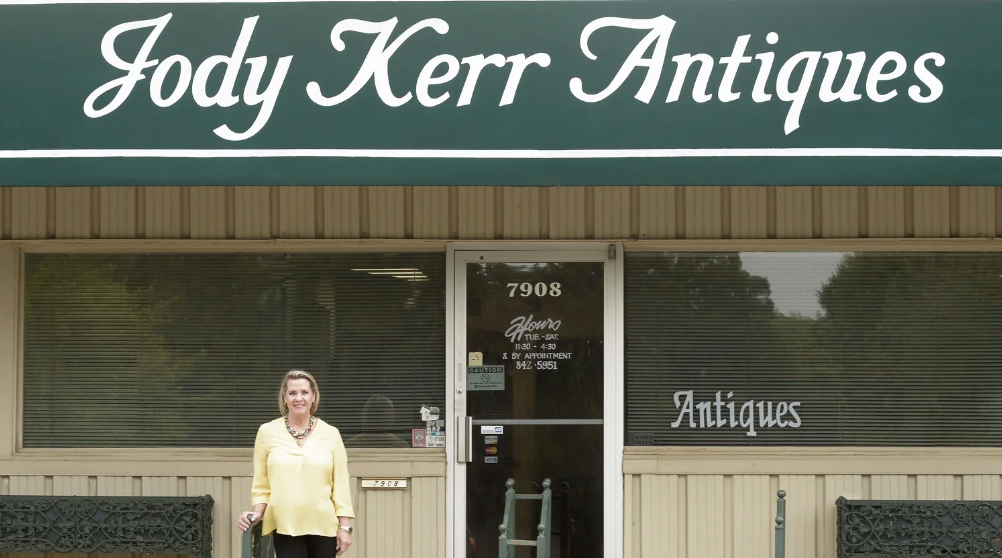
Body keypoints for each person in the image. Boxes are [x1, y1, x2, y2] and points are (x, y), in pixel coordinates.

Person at [237, 369, 355, 558]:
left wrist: (345, 527)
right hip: (285, 524)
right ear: (284, 397)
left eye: (304, 392)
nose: (298, 398)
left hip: (323, 524)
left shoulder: (331, 433)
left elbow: (341, 485)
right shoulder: (267, 431)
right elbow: (261, 484)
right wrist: (257, 512)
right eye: (292, 393)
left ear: (314, 397)